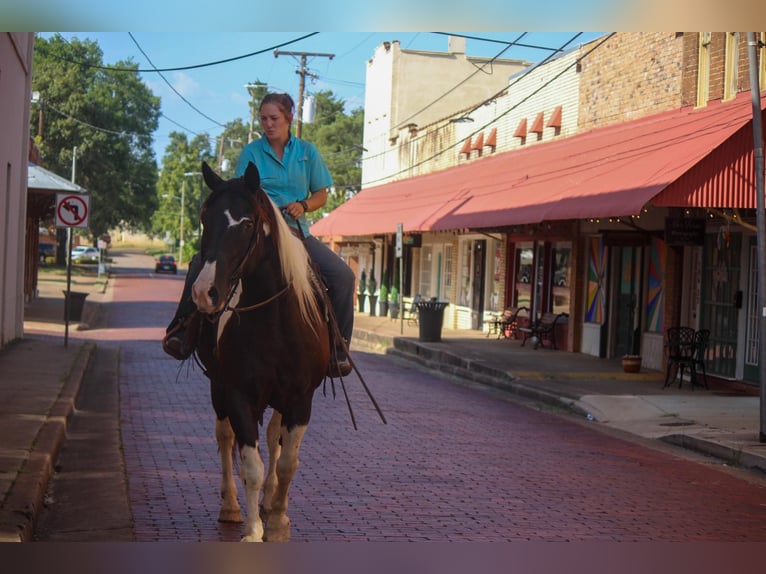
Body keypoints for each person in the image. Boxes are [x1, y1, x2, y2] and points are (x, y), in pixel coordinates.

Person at [162, 92, 355, 378]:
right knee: (199, 263)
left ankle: (338, 349)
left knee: (343, 276)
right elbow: (240, 191)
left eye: (274, 118)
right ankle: (182, 330)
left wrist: (303, 205)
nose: (268, 124)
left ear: (289, 118)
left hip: (296, 233)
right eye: (263, 118)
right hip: (256, 232)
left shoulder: (307, 152)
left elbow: (321, 195)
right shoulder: (252, 152)